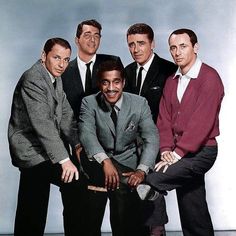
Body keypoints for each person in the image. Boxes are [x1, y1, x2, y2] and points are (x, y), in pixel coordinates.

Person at [141, 28, 224, 236]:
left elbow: (201, 124)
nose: (177, 52)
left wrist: (175, 155)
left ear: (195, 47)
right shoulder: (172, 81)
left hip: (202, 152)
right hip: (178, 151)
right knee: (192, 205)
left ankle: (156, 231)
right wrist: (167, 149)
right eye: (173, 48)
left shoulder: (209, 78)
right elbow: (164, 120)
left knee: (152, 180)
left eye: (183, 46)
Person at [8, 38, 88, 236]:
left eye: (66, 59)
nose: (62, 64)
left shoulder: (54, 77)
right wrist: (64, 160)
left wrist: (77, 145)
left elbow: (66, 116)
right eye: (56, 57)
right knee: (64, 187)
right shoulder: (33, 78)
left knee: (34, 204)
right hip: (31, 150)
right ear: (44, 56)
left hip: (44, 150)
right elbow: (43, 124)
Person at [78, 59, 159, 236]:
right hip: (97, 162)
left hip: (128, 163)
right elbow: (87, 135)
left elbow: (151, 138)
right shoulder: (89, 103)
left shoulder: (139, 103)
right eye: (105, 82)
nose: (111, 88)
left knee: (126, 210)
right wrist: (105, 161)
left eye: (116, 82)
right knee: (117, 191)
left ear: (123, 82)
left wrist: (141, 171)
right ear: (100, 84)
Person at [61, 19, 122, 236]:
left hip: (108, 147)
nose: (92, 39)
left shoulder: (112, 63)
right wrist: (74, 145)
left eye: (96, 34)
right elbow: (60, 113)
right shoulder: (63, 70)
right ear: (76, 39)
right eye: (87, 34)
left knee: (111, 207)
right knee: (74, 207)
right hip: (73, 147)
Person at [125, 23, 177, 235]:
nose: (136, 49)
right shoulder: (126, 72)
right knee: (133, 198)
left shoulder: (169, 71)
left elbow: (175, 111)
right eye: (131, 44)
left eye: (141, 43)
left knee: (152, 193)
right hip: (130, 146)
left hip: (159, 145)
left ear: (152, 44)